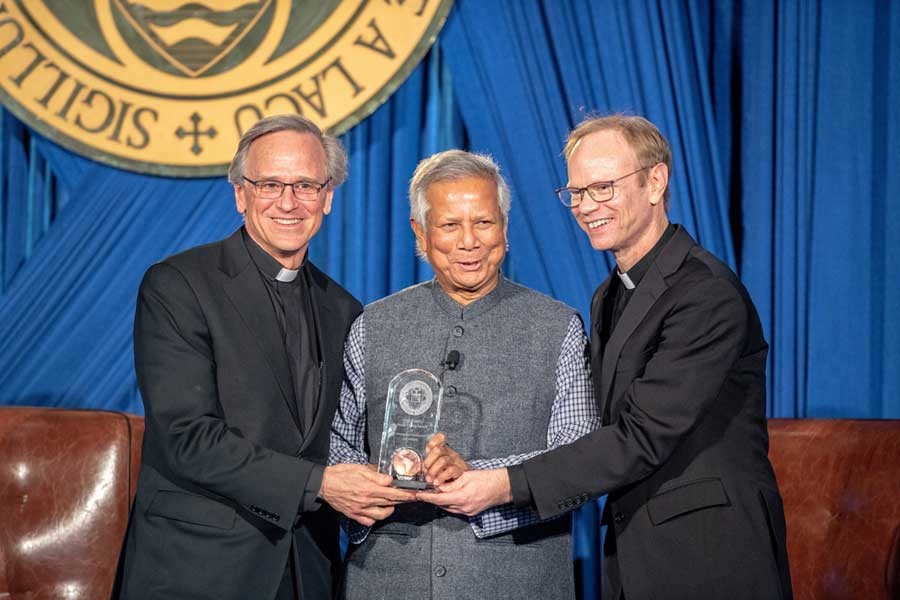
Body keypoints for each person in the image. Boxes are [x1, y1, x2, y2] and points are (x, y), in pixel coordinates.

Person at [418, 116, 793, 600]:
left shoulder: (706, 295)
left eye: (603, 188)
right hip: (636, 555)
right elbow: (593, 427)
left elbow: (640, 436)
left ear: (655, 181)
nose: (586, 206)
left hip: (709, 555)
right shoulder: (609, 294)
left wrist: (502, 484)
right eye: (576, 192)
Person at [114, 114, 414, 600]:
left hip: (307, 570)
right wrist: (319, 483)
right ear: (240, 194)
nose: (288, 202)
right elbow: (186, 437)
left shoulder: (343, 309)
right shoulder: (179, 285)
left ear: (328, 196)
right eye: (270, 184)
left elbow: (347, 439)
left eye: (305, 185)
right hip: (198, 569)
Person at [329, 150, 601, 599]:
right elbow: (337, 441)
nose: (469, 241)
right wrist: (372, 487)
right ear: (421, 232)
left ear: (505, 228)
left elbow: (580, 458)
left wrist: (478, 477)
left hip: (517, 583)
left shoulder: (558, 328)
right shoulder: (372, 325)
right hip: (385, 580)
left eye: (484, 222)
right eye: (450, 225)